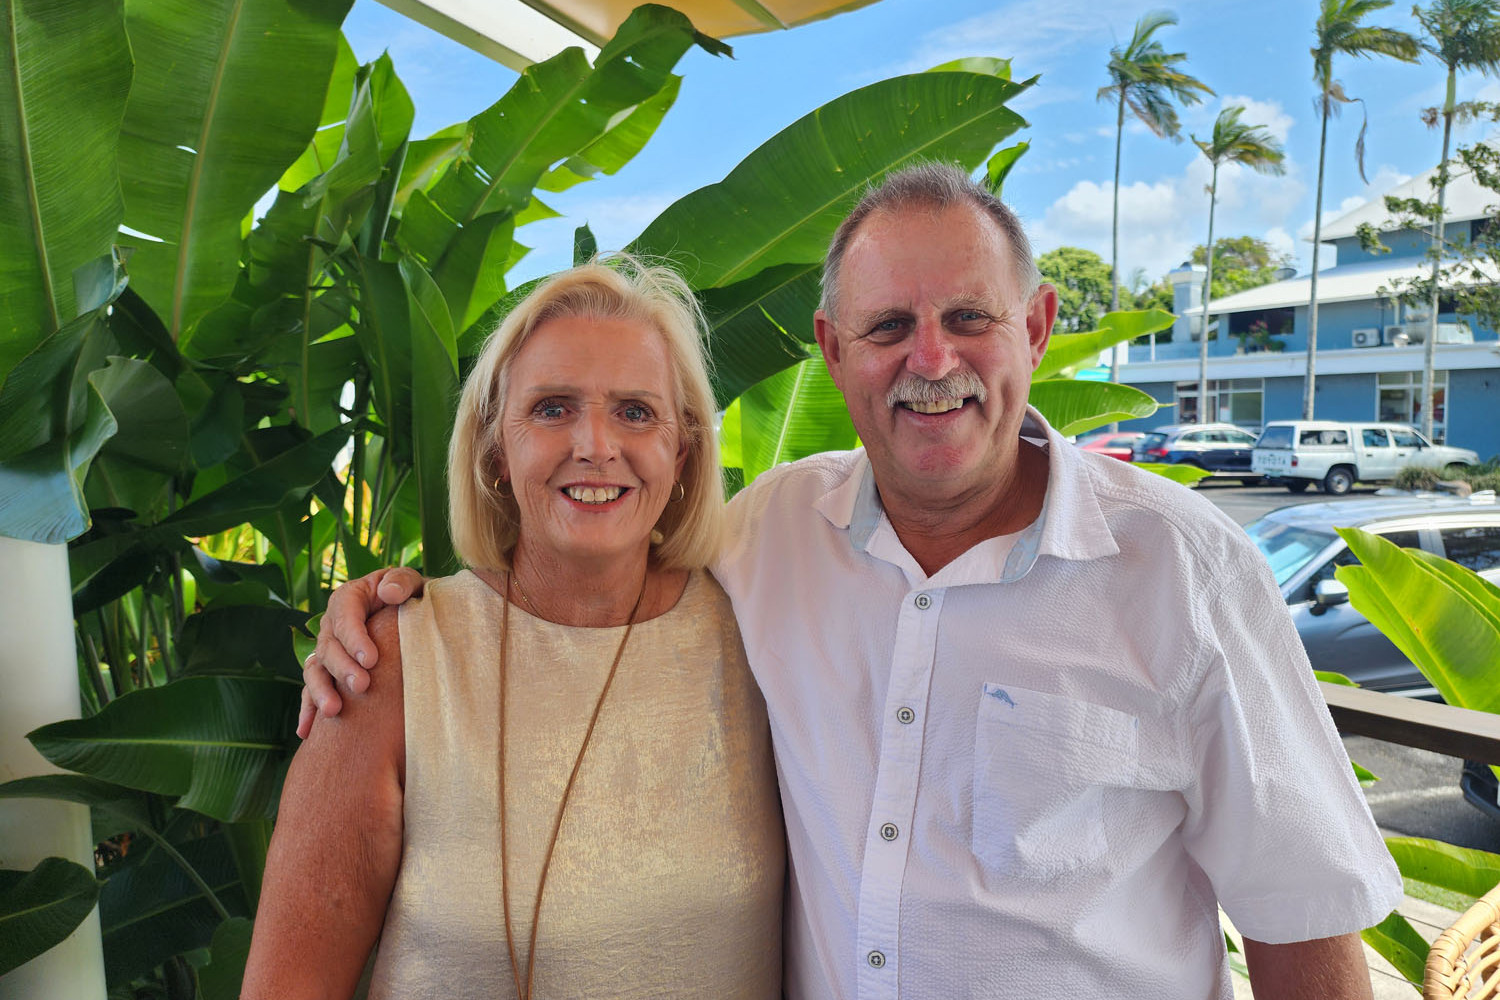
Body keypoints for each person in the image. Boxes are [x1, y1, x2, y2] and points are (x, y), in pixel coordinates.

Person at [304, 163, 1402, 1000]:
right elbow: (585, 561)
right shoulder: (769, 536)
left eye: (968, 318)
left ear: (1034, 327)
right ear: (833, 351)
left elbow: (1304, 921)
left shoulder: (1187, 572)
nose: (931, 360)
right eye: (889, 327)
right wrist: (384, 608)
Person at [244, 259, 783, 1000]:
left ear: (682, 452)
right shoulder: (392, 662)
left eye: (635, 411)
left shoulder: (761, 632)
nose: (595, 444)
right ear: (496, 449)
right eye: (553, 408)